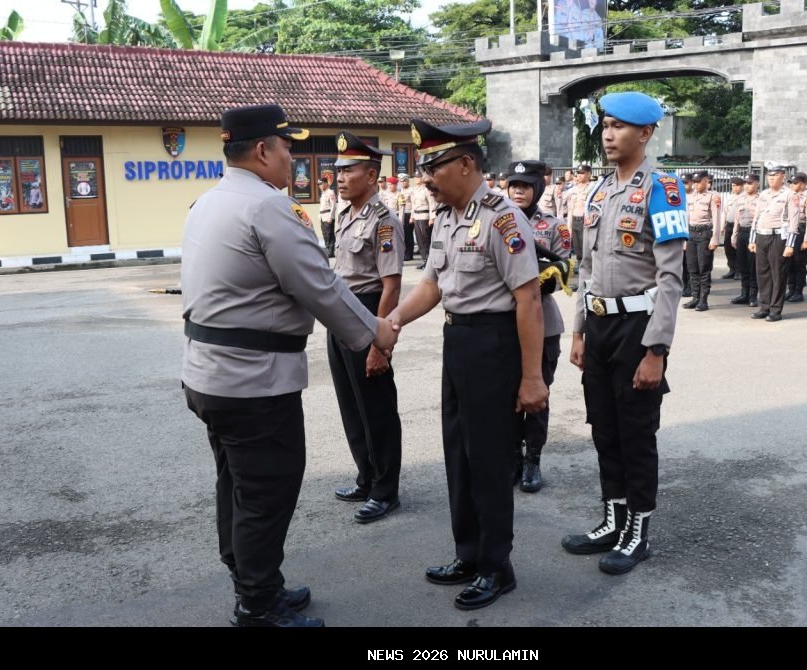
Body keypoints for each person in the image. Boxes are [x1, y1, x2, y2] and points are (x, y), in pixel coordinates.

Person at [180, 104, 400, 628]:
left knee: (237, 484)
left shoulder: (208, 202)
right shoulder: (268, 207)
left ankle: (257, 582)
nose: (291, 158)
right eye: (286, 147)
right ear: (262, 151)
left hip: (211, 373)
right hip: (252, 380)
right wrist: (376, 331)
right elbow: (318, 285)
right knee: (265, 492)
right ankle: (257, 606)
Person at [389, 117, 546, 610]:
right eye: (424, 168)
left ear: (466, 163)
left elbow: (529, 301)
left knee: (491, 460)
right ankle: (469, 553)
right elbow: (433, 286)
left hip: (495, 346)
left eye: (434, 167)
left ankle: (497, 566)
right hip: (458, 342)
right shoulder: (446, 217)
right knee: (458, 453)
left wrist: (532, 376)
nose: (427, 178)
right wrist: (391, 322)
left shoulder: (503, 218)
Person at [561, 92, 687, 576]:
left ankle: (638, 532)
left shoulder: (664, 190)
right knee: (604, 428)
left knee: (636, 433)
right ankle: (612, 521)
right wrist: (578, 331)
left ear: (646, 133)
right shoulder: (596, 193)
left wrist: (657, 349)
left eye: (618, 127)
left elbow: (671, 279)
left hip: (638, 328)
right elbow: (585, 269)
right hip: (599, 325)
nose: (608, 135)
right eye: (605, 126)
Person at [329, 132, 405, 523]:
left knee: (375, 405)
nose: (339, 177)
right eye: (338, 170)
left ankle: (385, 489)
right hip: (340, 311)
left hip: (366, 310)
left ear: (372, 175)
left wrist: (381, 342)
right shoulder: (344, 215)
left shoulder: (384, 221)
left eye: (349, 170)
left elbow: (391, 284)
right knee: (351, 403)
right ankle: (366, 475)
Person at [506, 159, 573, 493]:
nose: (518, 191)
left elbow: (565, 268)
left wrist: (545, 276)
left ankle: (533, 458)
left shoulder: (553, 226)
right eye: (513, 185)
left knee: (537, 393)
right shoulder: (497, 222)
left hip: (542, 323)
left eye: (525, 185)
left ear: (538, 189)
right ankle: (512, 459)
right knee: (505, 395)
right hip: (502, 323)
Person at [748, 162, 800, 322]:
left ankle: (775, 310)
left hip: (778, 237)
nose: (771, 178)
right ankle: (764, 306)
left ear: (783, 176)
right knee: (762, 274)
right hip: (762, 236)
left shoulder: (789, 194)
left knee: (778, 274)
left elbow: (794, 220)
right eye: (769, 175)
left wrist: (790, 244)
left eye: (775, 175)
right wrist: (752, 239)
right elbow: (756, 217)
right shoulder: (763, 194)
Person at [682, 170, 721, 311]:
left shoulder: (713, 196)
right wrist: (684, 238)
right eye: (695, 182)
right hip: (691, 234)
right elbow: (686, 217)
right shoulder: (690, 197)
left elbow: (716, 218)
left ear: (706, 181)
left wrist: (715, 238)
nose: (696, 185)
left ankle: (703, 300)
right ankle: (695, 297)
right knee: (692, 267)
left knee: (704, 267)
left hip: (705, 234)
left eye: (699, 182)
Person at [730, 174, 760, 306]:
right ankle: (744, 294)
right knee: (743, 265)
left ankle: (753, 296)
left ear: (757, 184)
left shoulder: (761, 199)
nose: (747, 186)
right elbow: (737, 218)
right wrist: (734, 234)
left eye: (750, 183)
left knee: (753, 265)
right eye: (746, 183)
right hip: (742, 233)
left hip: (755, 235)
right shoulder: (740, 199)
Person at [788, 171, 807, 302]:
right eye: (791, 183)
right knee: (789, 262)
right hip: (789, 230)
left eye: (795, 183)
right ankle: (791, 289)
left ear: (803, 183)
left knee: (799, 263)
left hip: (801, 230)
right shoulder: (789, 194)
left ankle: (798, 292)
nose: (792, 185)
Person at [410, 171, 437, 269]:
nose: (416, 179)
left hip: (425, 217)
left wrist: (432, 217)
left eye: (418, 177)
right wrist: (412, 216)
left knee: (426, 239)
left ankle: (429, 261)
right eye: (415, 177)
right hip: (417, 217)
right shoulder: (414, 190)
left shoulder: (426, 189)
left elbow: (432, 203)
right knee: (419, 240)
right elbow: (413, 205)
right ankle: (424, 259)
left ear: (422, 178)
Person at [721, 176, 744, 279]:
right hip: (729, 225)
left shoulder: (744, 197)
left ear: (742, 186)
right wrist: (722, 226)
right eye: (733, 186)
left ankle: (739, 270)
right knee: (728, 248)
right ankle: (732, 269)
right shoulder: (729, 197)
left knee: (738, 249)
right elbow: (724, 212)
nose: (734, 188)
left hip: (739, 226)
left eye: (737, 186)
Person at [318, 173, 337, 258]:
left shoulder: (330, 192)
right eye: (319, 184)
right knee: (325, 234)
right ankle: (327, 249)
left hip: (328, 216)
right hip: (322, 217)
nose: (319, 186)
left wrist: (331, 217)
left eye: (321, 184)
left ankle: (331, 251)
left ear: (325, 183)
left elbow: (333, 206)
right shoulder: (323, 194)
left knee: (330, 234)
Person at [397, 173, 415, 260]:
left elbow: (414, 204)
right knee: (403, 234)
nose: (402, 183)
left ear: (408, 181)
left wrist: (412, 216)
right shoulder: (400, 191)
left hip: (409, 214)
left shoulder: (412, 190)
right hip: (402, 215)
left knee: (408, 235)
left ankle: (409, 254)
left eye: (404, 181)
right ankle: (404, 252)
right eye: (401, 181)